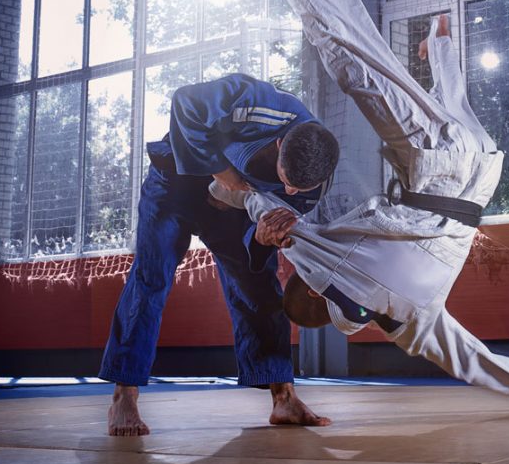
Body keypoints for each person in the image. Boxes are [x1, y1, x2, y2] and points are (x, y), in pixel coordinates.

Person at [199, 0, 509, 410]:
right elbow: (259, 204)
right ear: (311, 283)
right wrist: (231, 194)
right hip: (441, 170)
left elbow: (462, 354)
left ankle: (442, 50)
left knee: (442, 110)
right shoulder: (323, 262)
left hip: (477, 175)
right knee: (353, 59)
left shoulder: (408, 323)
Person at [99, 73, 340, 436]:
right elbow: (185, 102)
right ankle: (125, 395)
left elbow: (267, 230)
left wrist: (262, 238)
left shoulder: (312, 183)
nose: (290, 190)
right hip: (175, 183)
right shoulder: (256, 100)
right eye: (286, 178)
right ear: (279, 144)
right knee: (151, 279)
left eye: (297, 188)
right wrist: (223, 173)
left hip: (234, 209)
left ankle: (283, 397)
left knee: (259, 286)